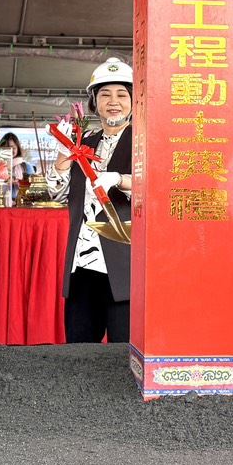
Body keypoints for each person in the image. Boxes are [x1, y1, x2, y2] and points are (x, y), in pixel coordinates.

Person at [49, 57, 133, 343]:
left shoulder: (144, 141)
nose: (113, 102)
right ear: (94, 101)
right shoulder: (84, 142)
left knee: (125, 350)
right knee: (79, 348)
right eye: (105, 94)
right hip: (83, 264)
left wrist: (120, 179)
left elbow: (159, 188)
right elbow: (57, 192)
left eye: (122, 94)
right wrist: (63, 154)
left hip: (125, 267)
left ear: (134, 102)